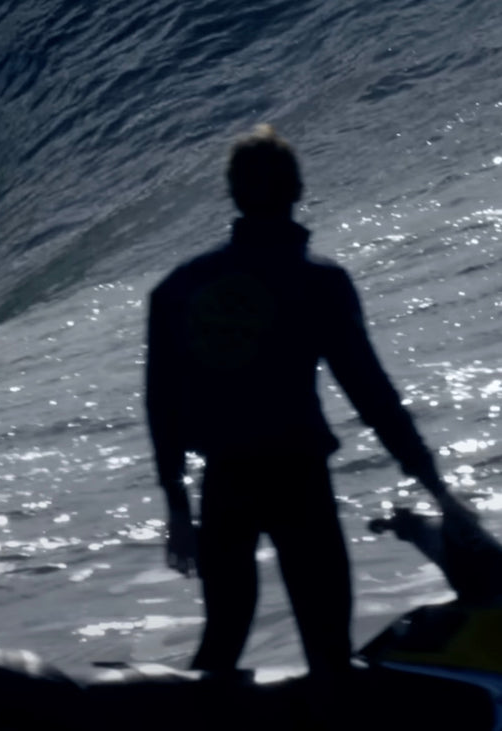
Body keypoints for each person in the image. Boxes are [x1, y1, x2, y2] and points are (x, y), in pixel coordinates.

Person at [145, 124, 468, 675]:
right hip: (297, 481)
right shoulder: (318, 281)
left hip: (225, 484)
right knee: (328, 652)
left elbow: (162, 402)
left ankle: (163, 716)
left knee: (222, 641)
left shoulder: (180, 288)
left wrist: (176, 503)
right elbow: (370, 393)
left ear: (233, 194)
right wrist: (434, 485)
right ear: (297, 190)